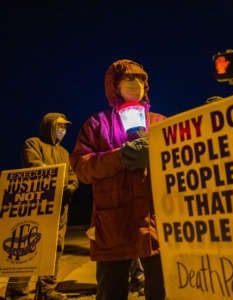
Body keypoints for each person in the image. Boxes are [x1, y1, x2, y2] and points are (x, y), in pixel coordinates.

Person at [69, 58, 166, 300]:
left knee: (161, 290)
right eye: (127, 79)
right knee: (111, 290)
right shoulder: (96, 124)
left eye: (140, 79)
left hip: (155, 221)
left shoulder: (159, 122)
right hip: (112, 225)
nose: (135, 84)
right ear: (114, 86)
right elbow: (82, 168)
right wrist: (120, 157)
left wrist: (155, 157)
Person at [6, 112, 79, 300]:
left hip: (59, 208)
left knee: (55, 248)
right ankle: (17, 291)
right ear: (50, 126)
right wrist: (57, 179)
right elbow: (35, 167)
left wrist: (71, 186)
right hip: (36, 206)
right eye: (60, 126)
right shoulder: (33, 144)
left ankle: (46, 290)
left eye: (65, 128)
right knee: (27, 247)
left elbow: (72, 175)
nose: (63, 131)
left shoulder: (64, 153)